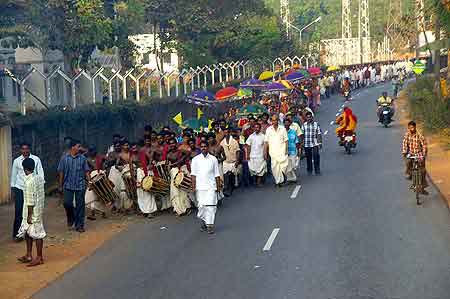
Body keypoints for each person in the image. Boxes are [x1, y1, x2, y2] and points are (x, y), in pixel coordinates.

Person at [11, 142, 45, 241]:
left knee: (31, 211)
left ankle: (31, 232)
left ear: (30, 149)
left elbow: (40, 173)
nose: (25, 151)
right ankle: (17, 234)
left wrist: (40, 187)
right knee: (18, 212)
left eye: (27, 149)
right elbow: (14, 175)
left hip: (31, 188)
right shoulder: (17, 161)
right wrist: (14, 189)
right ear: (20, 150)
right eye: (23, 149)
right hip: (20, 188)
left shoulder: (36, 159)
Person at [16, 158, 46, 267]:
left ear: (24, 169)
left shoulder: (29, 182)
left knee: (37, 234)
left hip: (32, 212)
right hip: (38, 209)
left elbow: (30, 201)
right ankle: (29, 255)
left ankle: (39, 257)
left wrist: (29, 215)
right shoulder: (38, 178)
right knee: (28, 232)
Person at [57, 139, 90, 233]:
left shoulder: (82, 158)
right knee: (67, 203)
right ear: (73, 147)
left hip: (80, 185)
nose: (80, 148)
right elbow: (61, 172)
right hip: (68, 185)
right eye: (78, 146)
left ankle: (79, 225)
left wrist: (90, 181)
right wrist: (60, 185)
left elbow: (86, 170)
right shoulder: (64, 158)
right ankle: (71, 217)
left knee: (80, 205)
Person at [191, 141, 221, 234]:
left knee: (211, 206)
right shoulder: (195, 159)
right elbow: (193, 175)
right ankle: (204, 221)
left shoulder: (213, 159)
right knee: (201, 207)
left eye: (205, 146)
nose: (203, 148)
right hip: (200, 187)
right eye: (202, 146)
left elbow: (217, 174)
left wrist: (218, 186)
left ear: (208, 148)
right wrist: (193, 187)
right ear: (200, 148)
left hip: (211, 187)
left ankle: (210, 226)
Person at [402, 121, 429, 199]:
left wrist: (423, 155)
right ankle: (410, 174)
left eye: (412, 127)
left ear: (415, 127)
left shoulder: (419, 135)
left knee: (423, 170)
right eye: (410, 128)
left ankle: (423, 187)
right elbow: (404, 143)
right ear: (408, 128)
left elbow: (424, 145)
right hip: (411, 153)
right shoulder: (407, 135)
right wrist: (404, 152)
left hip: (419, 153)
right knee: (407, 162)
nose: (411, 129)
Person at [264, 114, 288, 187]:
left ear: (278, 120)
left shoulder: (282, 129)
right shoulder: (268, 130)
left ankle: (283, 176)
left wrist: (286, 150)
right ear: (271, 121)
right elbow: (266, 142)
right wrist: (265, 152)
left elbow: (286, 140)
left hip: (282, 151)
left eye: (276, 120)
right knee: (274, 168)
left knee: (284, 166)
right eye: (273, 120)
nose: (274, 121)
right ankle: (278, 182)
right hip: (273, 152)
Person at [220, 127, 240, 196]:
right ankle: (227, 188)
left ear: (229, 133)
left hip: (233, 161)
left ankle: (231, 188)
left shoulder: (234, 141)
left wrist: (237, 160)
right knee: (226, 175)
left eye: (227, 132)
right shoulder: (222, 142)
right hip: (226, 162)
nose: (226, 134)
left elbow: (237, 151)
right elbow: (221, 151)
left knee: (232, 175)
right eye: (224, 133)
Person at [284, 118, 300, 183]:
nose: (286, 124)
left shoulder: (293, 131)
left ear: (290, 124)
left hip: (293, 151)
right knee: (287, 165)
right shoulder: (282, 132)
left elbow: (296, 141)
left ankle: (292, 178)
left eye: (288, 123)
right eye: (285, 123)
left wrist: (298, 150)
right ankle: (291, 179)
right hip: (285, 151)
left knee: (293, 166)